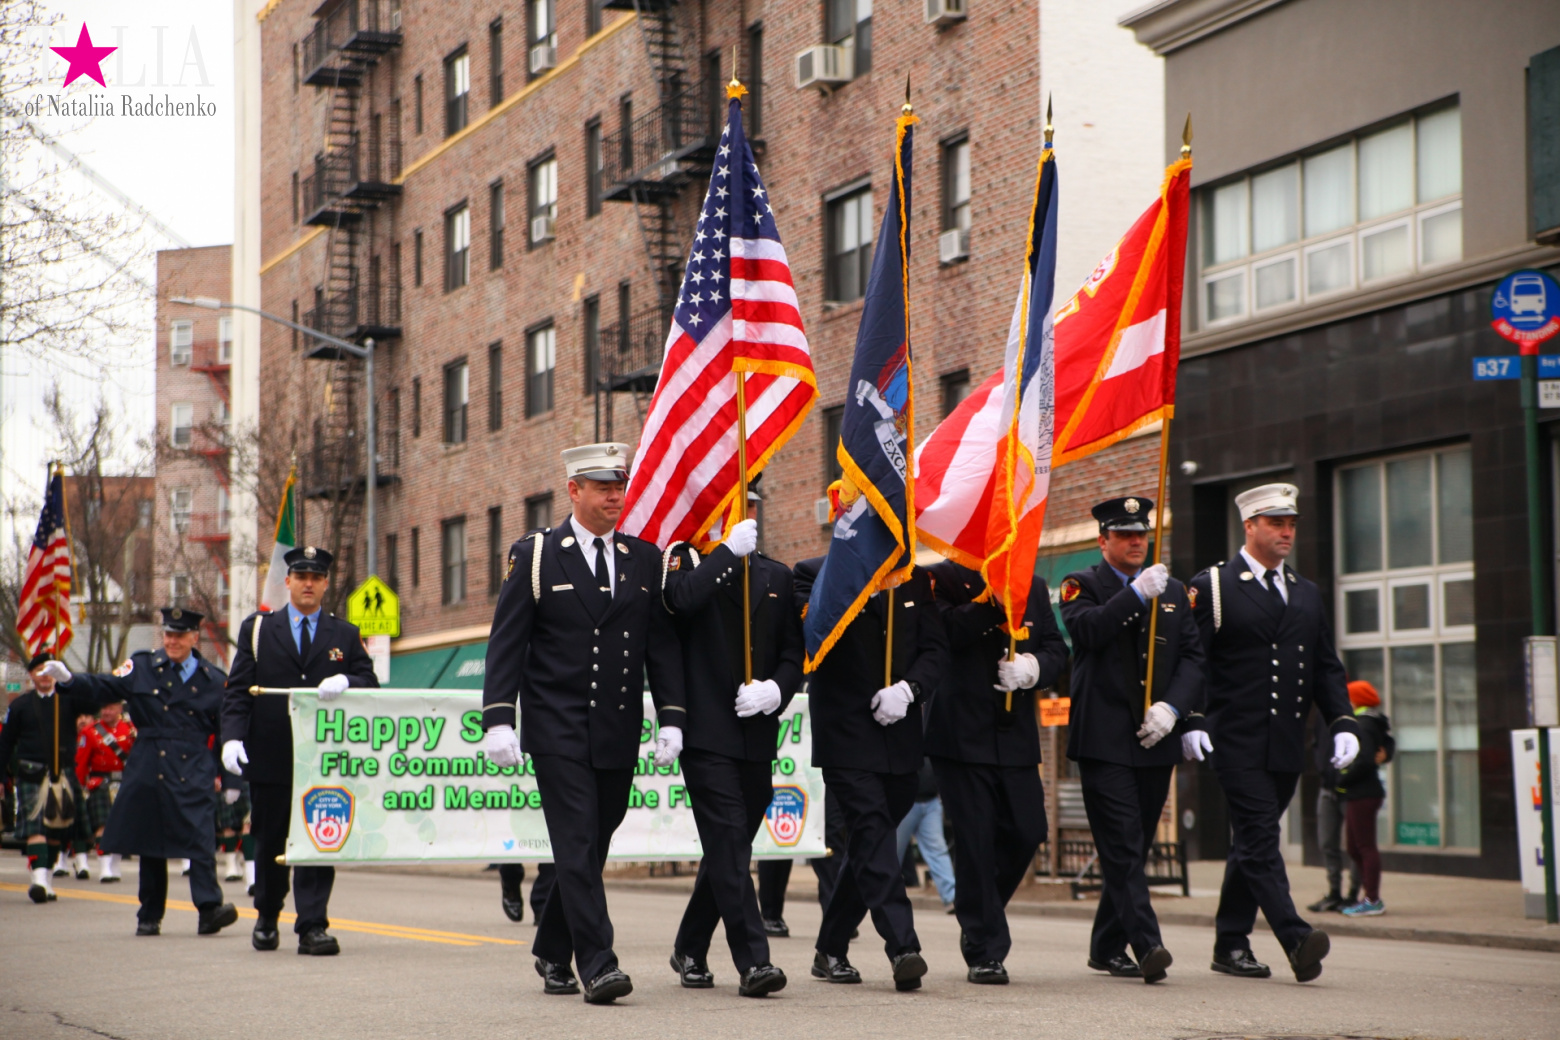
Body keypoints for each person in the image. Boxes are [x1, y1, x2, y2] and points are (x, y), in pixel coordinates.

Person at [479, 443, 685, 1005]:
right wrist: (499, 718)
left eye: (619, 486)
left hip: (616, 729)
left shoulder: (644, 559)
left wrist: (672, 719)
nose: (615, 496)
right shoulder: (539, 555)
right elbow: (507, 642)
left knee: (593, 845)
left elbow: (659, 650)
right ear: (574, 490)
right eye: (602, 487)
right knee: (574, 841)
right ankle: (598, 964)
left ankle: (551, 948)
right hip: (556, 727)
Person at [1189, 483, 1360, 983]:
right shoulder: (1216, 585)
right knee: (1262, 839)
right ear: (1249, 526)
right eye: (1275, 523)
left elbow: (1326, 666)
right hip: (1235, 738)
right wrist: (1190, 717)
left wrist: (1343, 720)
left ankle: (1230, 943)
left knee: (1250, 843)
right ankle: (1295, 936)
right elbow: (1192, 660)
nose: (1286, 532)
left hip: (1286, 741)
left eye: (1291, 524)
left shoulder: (1305, 591)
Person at [1059, 497, 1206, 985]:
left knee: (1136, 846)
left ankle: (1105, 946)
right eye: (1124, 535)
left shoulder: (1175, 591)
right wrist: (1135, 596)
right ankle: (1147, 944)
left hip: (1153, 738)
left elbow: (1192, 659)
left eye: (1141, 534)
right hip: (1103, 741)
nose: (1136, 542)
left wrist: (1174, 710)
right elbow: (1087, 632)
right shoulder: (1083, 585)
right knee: (1121, 846)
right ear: (1103, 541)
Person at [661, 509, 802, 998]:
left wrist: (776, 690)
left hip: (755, 733)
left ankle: (689, 946)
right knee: (727, 839)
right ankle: (754, 962)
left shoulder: (777, 576)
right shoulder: (686, 562)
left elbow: (793, 654)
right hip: (704, 733)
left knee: (729, 849)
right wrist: (725, 554)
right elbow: (680, 601)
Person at [794, 556, 947, 992]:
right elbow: (811, 635)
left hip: (898, 733)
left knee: (868, 842)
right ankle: (903, 947)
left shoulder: (914, 580)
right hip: (844, 733)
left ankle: (830, 947)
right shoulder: (815, 573)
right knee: (873, 830)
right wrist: (853, 580)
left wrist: (910, 689)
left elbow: (934, 648)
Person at [221, 547, 379, 955]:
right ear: (287, 581)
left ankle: (312, 925)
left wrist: (347, 680)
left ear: (325, 584)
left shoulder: (343, 633)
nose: (308, 583)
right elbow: (239, 690)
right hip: (272, 755)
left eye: (316, 576)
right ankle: (268, 914)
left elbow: (369, 681)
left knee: (318, 840)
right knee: (271, 840)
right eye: (301, 576)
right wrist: (232, 738)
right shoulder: (258, 629)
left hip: (323, 759)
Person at [48, 608, 241, 936]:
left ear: (195, 637)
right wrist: (70, 680)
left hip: (193, 764)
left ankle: (209, 908)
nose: (172, 641)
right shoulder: (142, 667)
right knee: (152, 841)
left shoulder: (213, 679)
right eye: (167, 634)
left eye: (179, 635)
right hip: (150, 761)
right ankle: (149, 914)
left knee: (201, 837)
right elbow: (106, 686)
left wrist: (232, 777)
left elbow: (228, 730)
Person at [926, 558, 1068, 984]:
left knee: (1028, 831)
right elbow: (945, 633)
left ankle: (978, 912)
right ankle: (986, 947)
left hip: (1015, 736)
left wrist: (1032, 670)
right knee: (976, 840)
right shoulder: (943, 578)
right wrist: (992, 602)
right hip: (961, 736)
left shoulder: (1034, 584)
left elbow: (1057, 650)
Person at [0, 653, 102, 903]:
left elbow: (93, 705)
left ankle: (47, 880)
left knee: (59, 829)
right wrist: (1, 776)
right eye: (39, 671)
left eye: (49, 671)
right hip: (31, 773)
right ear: (31, 675)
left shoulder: (69, 701)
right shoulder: (20, 705)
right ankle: (38, 880)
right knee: (37, 829)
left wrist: (69, 680)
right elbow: (5, 743)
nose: (44, 676)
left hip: (63, 773)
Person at [1338, 680, 1393, 918]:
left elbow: (1365, 758)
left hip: (1363, 792)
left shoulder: (1365, 724)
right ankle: (1369, 895)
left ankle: (1372, 899)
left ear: (1356, 699)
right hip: (1361, 792)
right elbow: (1388, 743)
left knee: (1364, 846)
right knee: (1354, 846)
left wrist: (1341, 780)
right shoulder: (1371, 721)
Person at [74, 699, 136, 882]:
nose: (106, 712)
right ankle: (104, 868)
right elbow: (81, 762)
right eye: (104, 707)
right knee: (103, 825)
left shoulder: (130, 729)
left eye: (110, 708)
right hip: (99, 782)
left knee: (120, 826)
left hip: (124, 782)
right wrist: (80, 787)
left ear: (119, 709)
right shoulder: (90, 731)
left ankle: (114, 865)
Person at [1306, 712, 1358, 913]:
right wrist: (1323, 769)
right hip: (1327, 787)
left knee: (1355, 845)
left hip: (1350, 790)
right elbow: (1318, 745)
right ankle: (1334, 892)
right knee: (1327, 842)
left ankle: (1353, 894)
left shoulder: (1352, 715)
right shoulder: (1320, 717)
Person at [894, 760, 954, 913]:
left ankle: (951, 896)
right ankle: (882, 898)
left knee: (938, 850)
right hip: (905, 798)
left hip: (930, 800)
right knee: (892, 854)